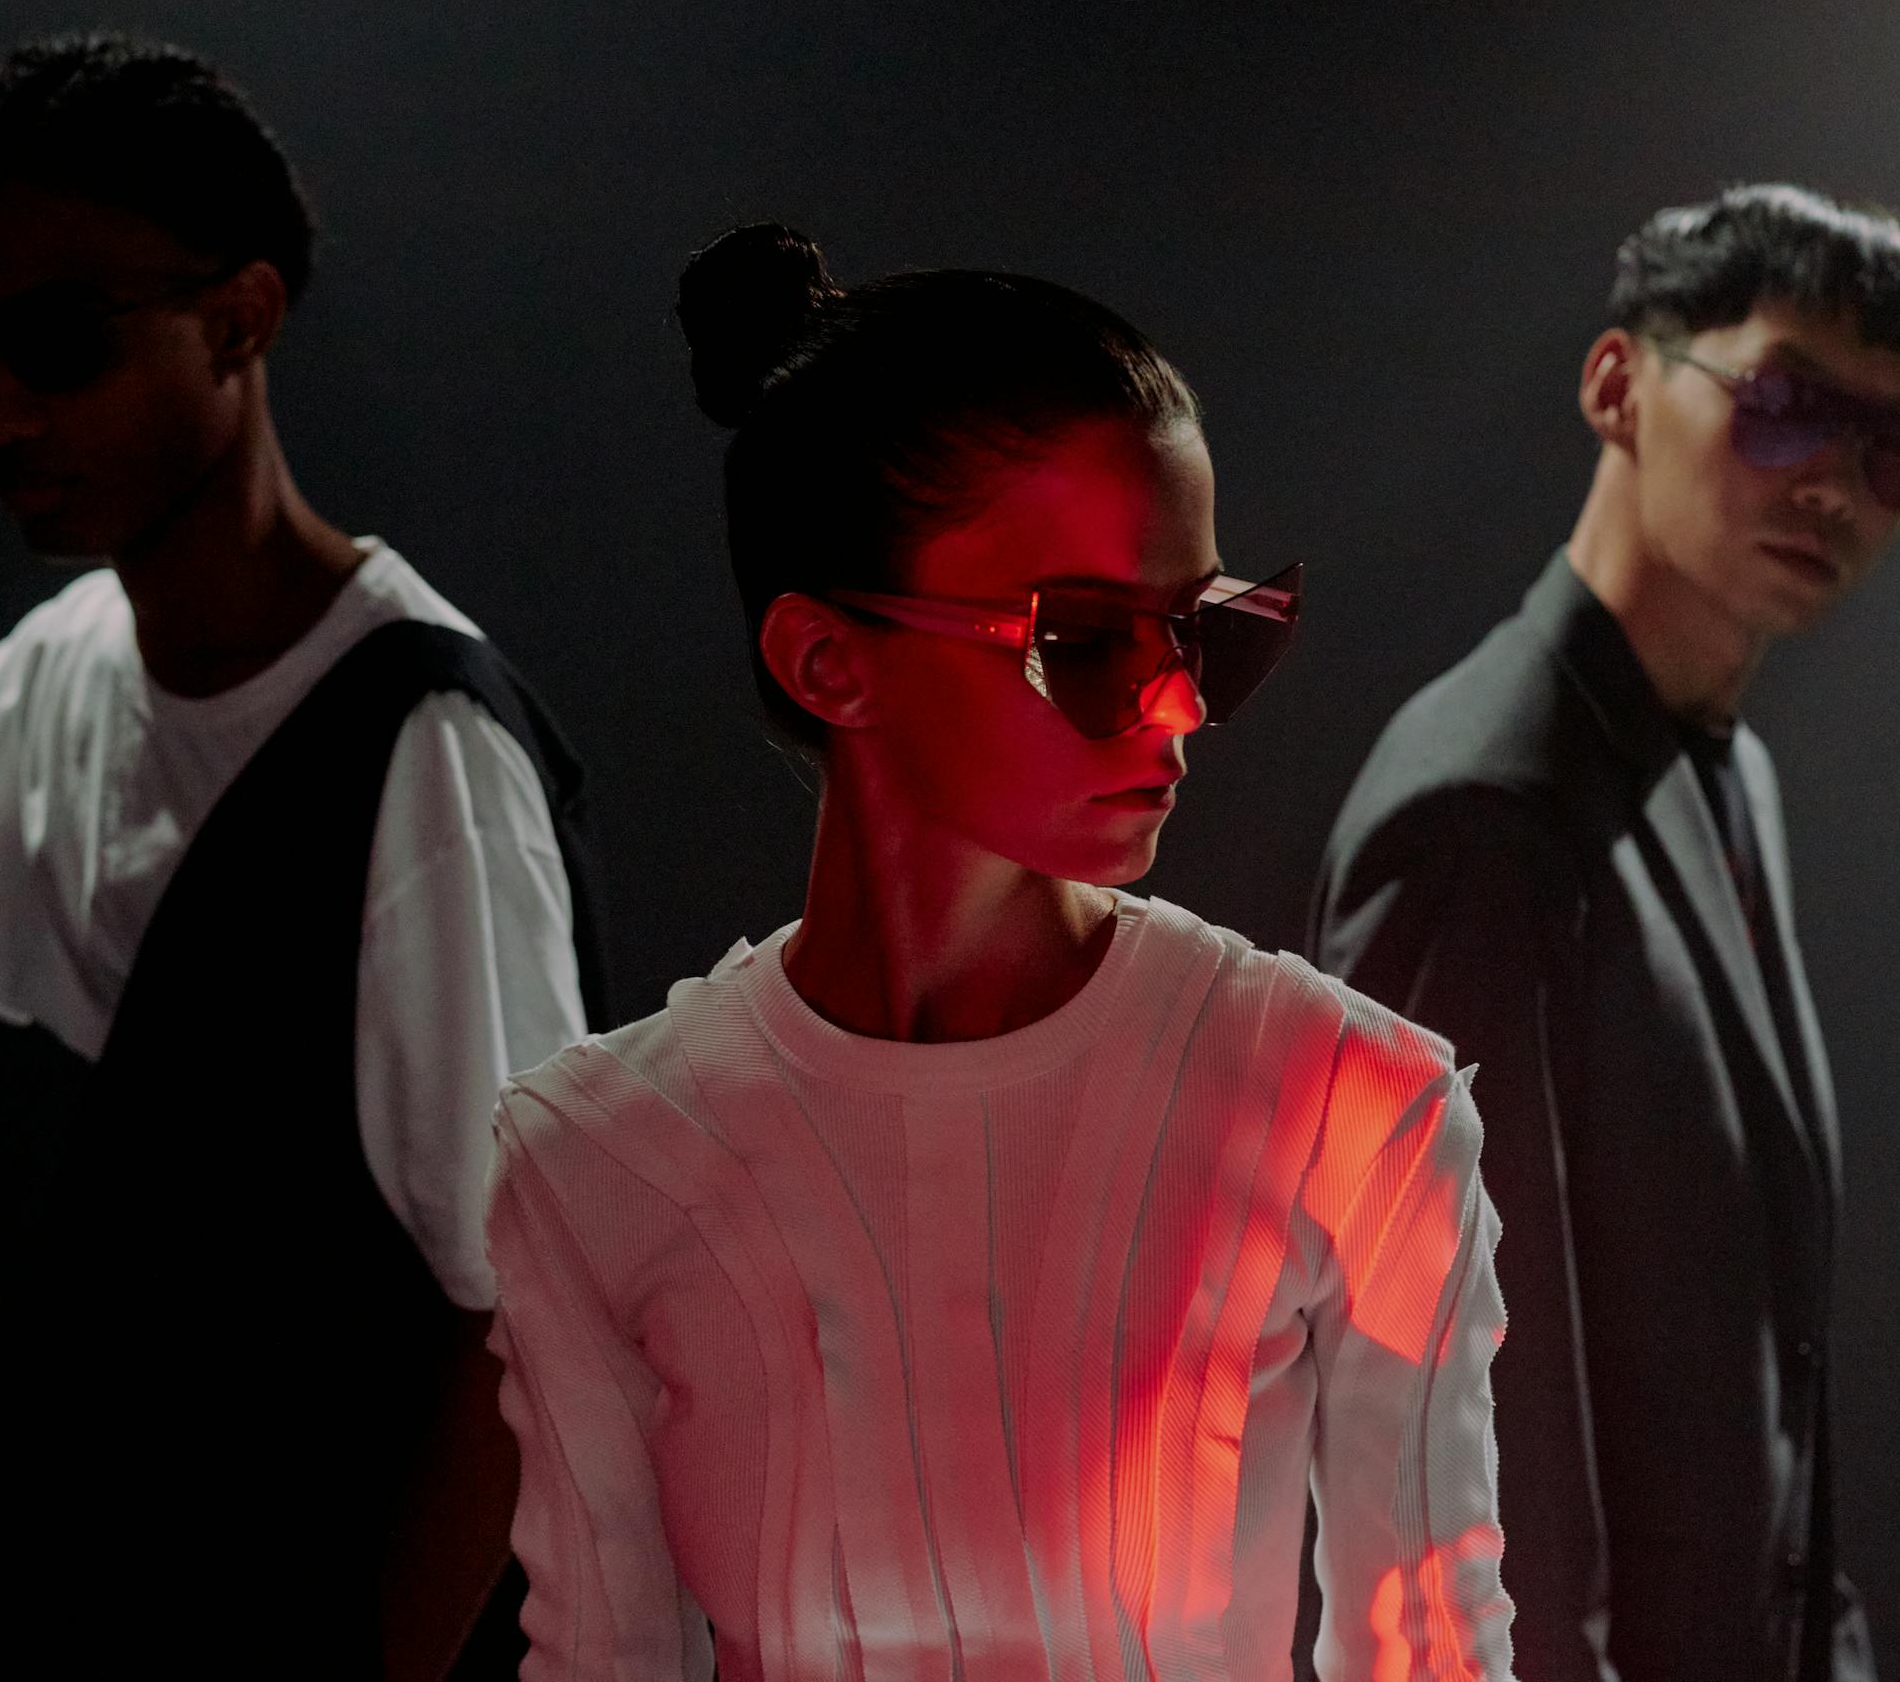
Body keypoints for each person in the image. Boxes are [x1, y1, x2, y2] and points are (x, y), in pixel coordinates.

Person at [483, 224, 1514, 1678]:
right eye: (1088, 642)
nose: (1176, 711)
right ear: (825, 659)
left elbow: (1435, 1654)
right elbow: (601, 1658)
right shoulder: (601, 1161)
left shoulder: (1353, 1111)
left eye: (1210, 635)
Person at [0, 31, 604, 1672]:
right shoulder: (51, 677)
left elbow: (522, 1323)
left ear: (240, 318)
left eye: (59, 340)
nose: (3, 411)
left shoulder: (421, 744)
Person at [1311, 184, 1900, 1682]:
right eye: (1788, 406)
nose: (1837, 487)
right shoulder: (1481, 815)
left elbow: (1766, 1388)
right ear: (1618, 386)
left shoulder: (1724, 767)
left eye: (1895, 450)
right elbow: (1463, 1447)